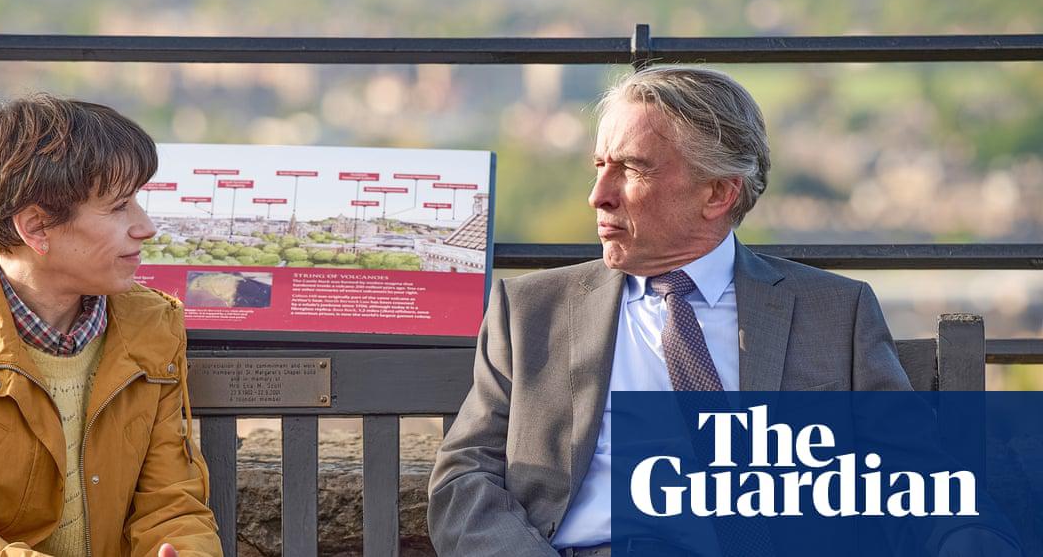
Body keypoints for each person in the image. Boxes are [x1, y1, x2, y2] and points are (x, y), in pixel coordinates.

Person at [427, 66, 1016, 556]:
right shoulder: (530, 311)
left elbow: (915, 474)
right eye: (598, 165)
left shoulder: (834, 312)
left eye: (631, 168)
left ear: (718, 194)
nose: (598, 194)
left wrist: (970, 538)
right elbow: (464, 476)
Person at [0, 94, 222, 556]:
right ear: (36, 227)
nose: (146, 226)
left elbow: (171, 505)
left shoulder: (152, 324)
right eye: (120, 207)